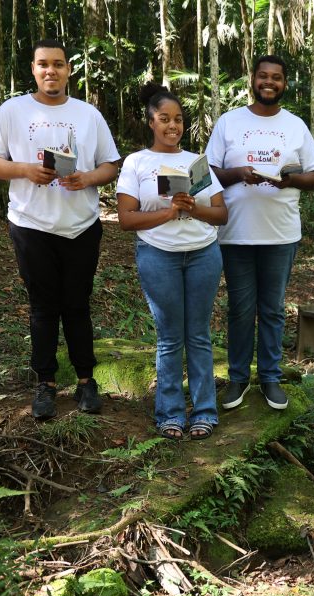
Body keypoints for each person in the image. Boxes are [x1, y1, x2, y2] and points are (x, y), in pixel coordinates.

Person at [0, 38, 120, 420]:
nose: (50, 71)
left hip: (81, 225)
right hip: (32, 225)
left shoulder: (87, 114)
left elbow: (111, 165)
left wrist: (88, 177)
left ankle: (86, 381)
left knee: (77, 305)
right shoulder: (13, 111)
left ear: (68, 70)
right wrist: (26, 170)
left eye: (58, 64)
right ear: (33, 68)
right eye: (43, 64)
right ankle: (45, 383)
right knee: (43, 307)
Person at [205, 55, 314, 412]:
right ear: (252, 80)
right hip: (236, 233)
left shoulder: (295, 126)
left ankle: (269, 377)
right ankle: (239, 377)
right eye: (263, 76)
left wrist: (288, 179)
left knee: (271, 310)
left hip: (280, 233)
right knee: (241, 309)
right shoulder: (229, 122)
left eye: (276, 78)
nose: (269, 82)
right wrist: (239, 172)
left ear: (284, 84)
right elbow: (208, 171)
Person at [116, 84, 227, 440]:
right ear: (151, 122)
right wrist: (169, 212)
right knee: (168, 338)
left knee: (198, 335)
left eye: (178, 119)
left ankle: (204, 412)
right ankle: (170, 414)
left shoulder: (197, 162)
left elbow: (221, 214)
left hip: (203, 255)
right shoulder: (136, 162)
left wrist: (195, 208)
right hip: (157, 255)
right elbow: (126, 218)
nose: (172, 126)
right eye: (164, 119)